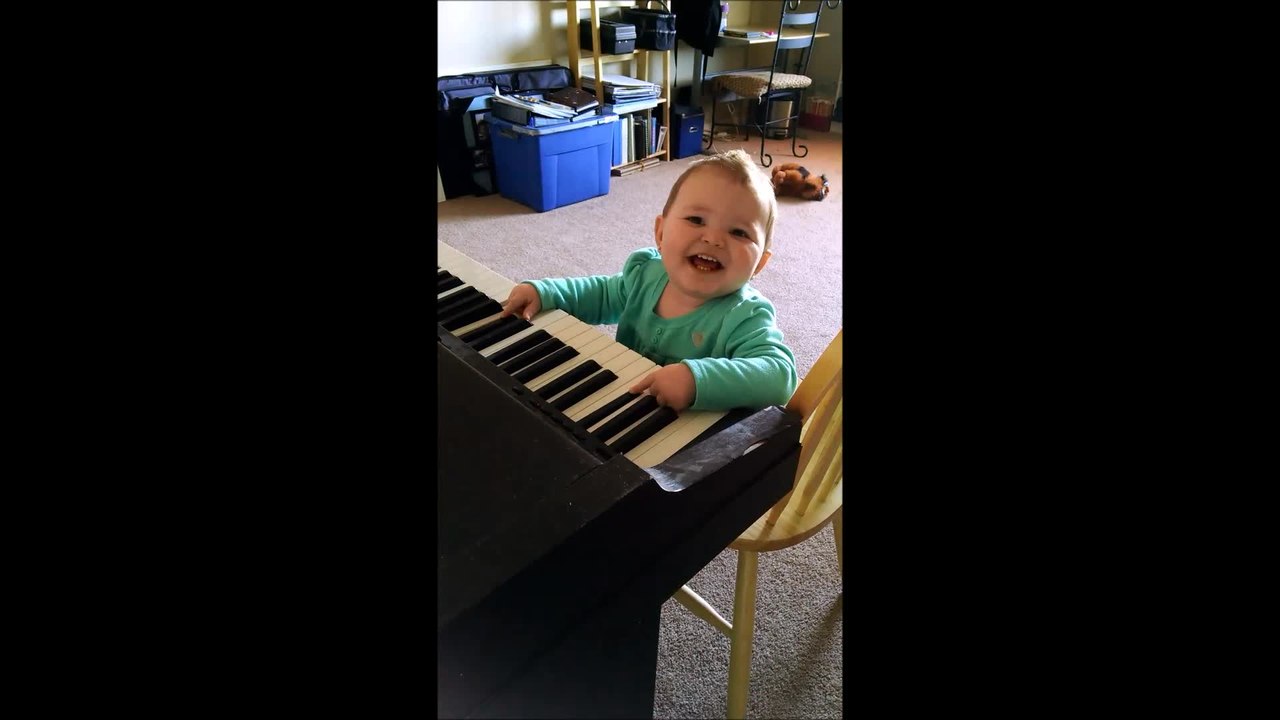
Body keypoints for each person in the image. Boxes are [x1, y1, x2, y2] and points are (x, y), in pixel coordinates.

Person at [500, 149, 798, 413]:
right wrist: (547, 292)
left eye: (739, 232)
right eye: (696, 220)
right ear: (661, 233)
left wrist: (696, 381)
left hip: (684, 439)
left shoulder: (745, 315)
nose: (713, 238)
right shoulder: (646, 274)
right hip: (623, 405)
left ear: (760, 264)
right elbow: (601, 295)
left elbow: (780, 375)